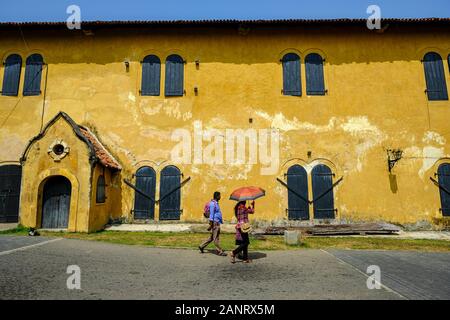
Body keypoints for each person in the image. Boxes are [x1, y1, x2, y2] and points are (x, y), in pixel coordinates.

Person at [199, 191, 226, 256]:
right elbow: (211, 215)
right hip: (215, 222)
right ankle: (220, 251)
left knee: (212, 237)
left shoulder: (216, 203)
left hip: (216, 222)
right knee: (216, 238)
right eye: (219, 195)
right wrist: (211, 224)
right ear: (217, 196)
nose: (220, 197)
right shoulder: (212, 204)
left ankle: (201, 246)